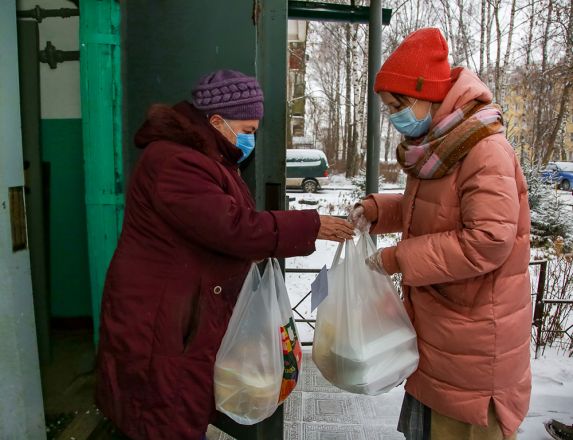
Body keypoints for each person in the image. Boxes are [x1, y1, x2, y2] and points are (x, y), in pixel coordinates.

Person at [95, 69, 354, 440]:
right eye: (247, 129)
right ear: (217, 121)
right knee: (162, 418)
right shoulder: (175, 163)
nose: (251, 138)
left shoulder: (208, 158)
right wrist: (313, 226)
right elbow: (233, 228)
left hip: (178, 317)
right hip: (160, 324)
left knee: (178, 411)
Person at [349, 28, 531, 439]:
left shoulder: (483, 149)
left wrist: (399, 258)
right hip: (444, 334)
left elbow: (487, 240)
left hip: (475, 346)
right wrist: (378, 210)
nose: (393, 115)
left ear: (425, 94)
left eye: (397, 104)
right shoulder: (441, 144)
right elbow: (434, 210)